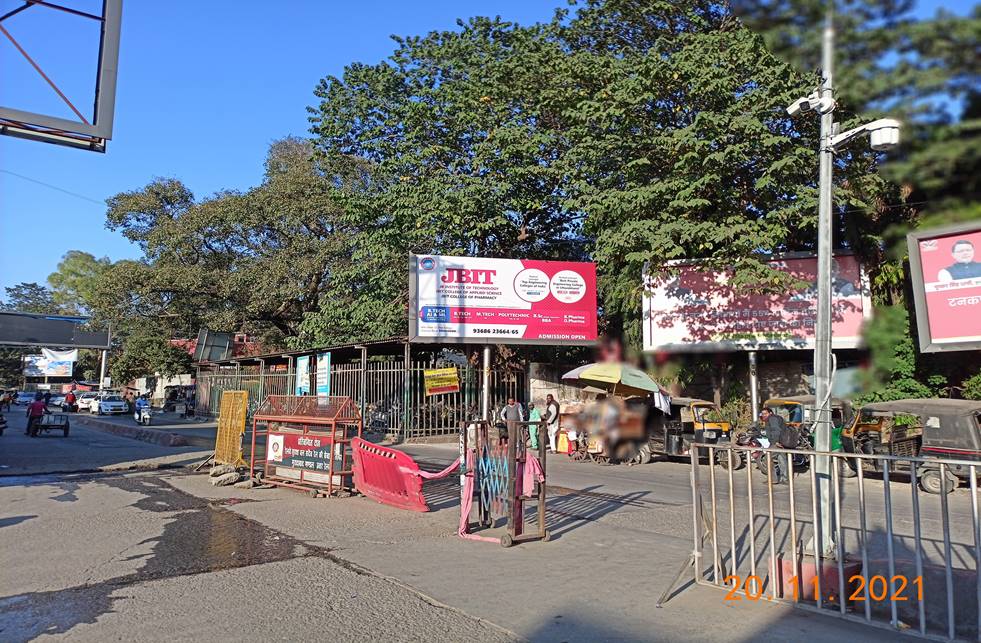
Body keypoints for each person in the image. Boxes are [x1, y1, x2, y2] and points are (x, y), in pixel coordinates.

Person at [759, 408, 797, 484]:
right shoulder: (776, 418)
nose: (763, 415)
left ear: (770, 413)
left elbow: (776, 430)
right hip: (782, 442)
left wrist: (776, 441)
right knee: (782, 459)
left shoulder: (772, 418)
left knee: (767, 458)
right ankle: (785, 479)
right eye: (762, 414)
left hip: (777, 443)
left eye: (765, 413)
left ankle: (773, 479)